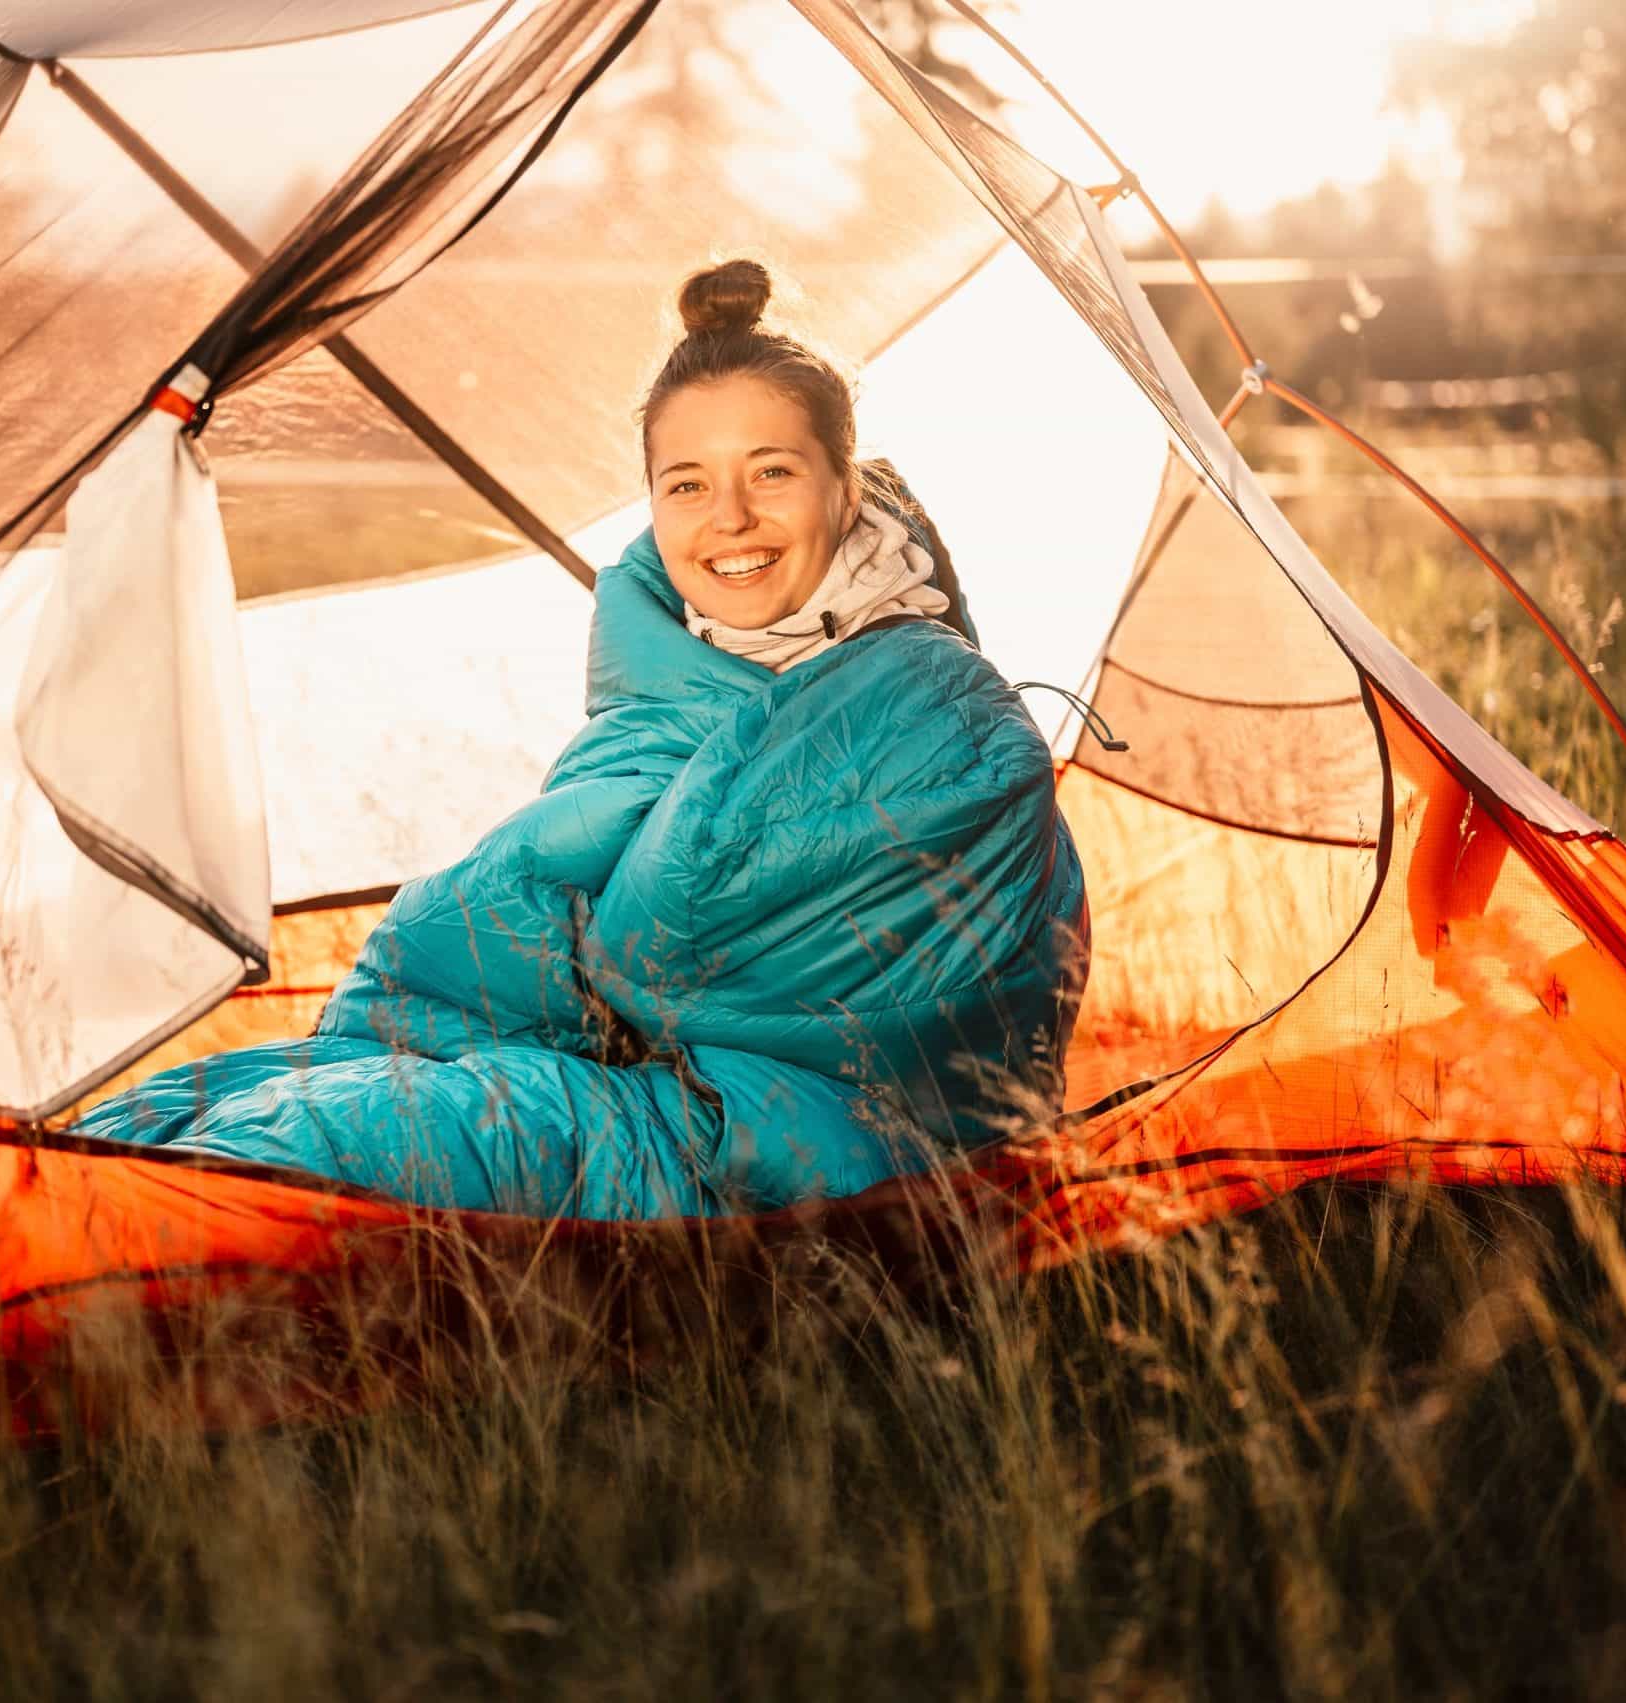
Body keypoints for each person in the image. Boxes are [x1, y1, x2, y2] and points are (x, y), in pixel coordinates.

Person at [76, 259, 1089, 1219]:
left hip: (797, 1127)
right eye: (686, 483)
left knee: (329, 1144)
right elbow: (525, 908)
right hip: (598, 1066)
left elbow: (682, 942)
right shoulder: (654, 691)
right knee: (151, 1123)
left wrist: (598, 977)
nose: (727, 519)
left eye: (770, 471)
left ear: (846, 488)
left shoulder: (938, 710)